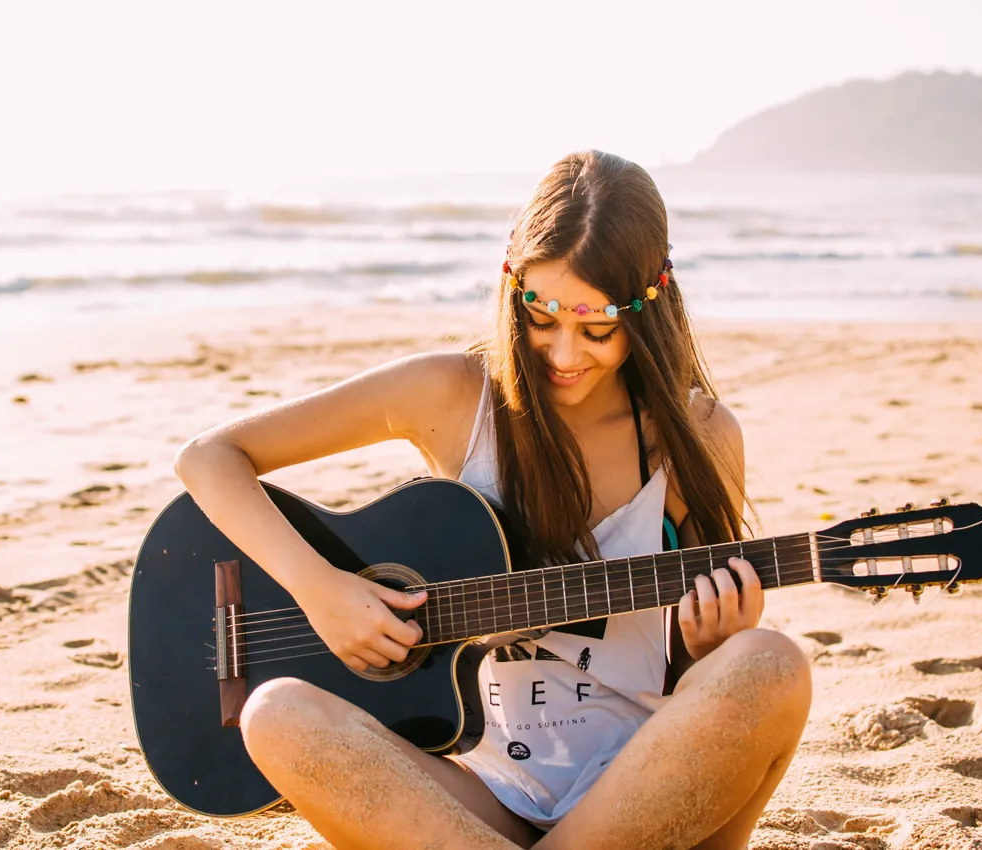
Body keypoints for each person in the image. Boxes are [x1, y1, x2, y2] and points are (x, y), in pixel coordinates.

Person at [173, 150, 812, 850]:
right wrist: (318, 587)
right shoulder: (454, 396)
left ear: (650, 308)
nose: (564, 354)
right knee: (274, 713)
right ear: (512, 289)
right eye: (541, 319)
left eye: (597, 330)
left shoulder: (698, 436)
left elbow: (699, 692)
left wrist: (711, 643)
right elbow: (209, 459)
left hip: (638, 792)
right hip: (477, 802)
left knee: (769, 663)